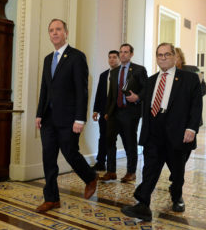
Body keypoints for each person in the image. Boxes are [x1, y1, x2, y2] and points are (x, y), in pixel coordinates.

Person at [121, 43, 202, 221]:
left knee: (177, 170)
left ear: (174, 57)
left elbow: (196, 106)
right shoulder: (151, 81)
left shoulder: (189, 79)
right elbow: (146, 103)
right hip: (154, 129)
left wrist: (191, 128)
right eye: (159, 55)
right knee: (150, 168)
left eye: (166, 55)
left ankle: (177, 196)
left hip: (178, 130)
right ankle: (143, 205)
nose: (163, 58)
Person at [35, 19, 98, 212]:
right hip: (48, 118)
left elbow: (82, 90)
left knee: (70, 153)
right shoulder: (47, 59)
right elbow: (45, 89)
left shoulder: (76, 57)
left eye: (58, 29)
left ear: (66, 33)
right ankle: (52, 198)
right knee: (48, 158)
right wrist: (39, 114)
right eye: (51, 30)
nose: (54, 33)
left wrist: (80, 118)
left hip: (69, 118)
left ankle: (90, 177)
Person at [100, 43, 147, 182]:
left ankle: (131, 172)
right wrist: (108, 111)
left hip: (130, 112)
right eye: (121, 52)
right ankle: (111, 171)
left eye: (126, 52)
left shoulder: (139, 70)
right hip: (115, 112)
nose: (123, 54)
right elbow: (111, 94)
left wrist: (138, 97)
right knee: (109, 141)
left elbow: (146, 89)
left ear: (131, 54)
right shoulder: (114, 72)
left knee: (129, 143)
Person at [92, 50, 120, 171]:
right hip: (104, 112)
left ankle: (112, 167)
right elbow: (99, 93)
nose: (112, 59)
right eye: (110, 57)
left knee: (112, 139)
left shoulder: (122, 74)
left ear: (119, 59)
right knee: (103, 137)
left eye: (114, 57)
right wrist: (95, 110)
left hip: (118, 113)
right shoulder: (104, 75)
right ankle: (100, 162)